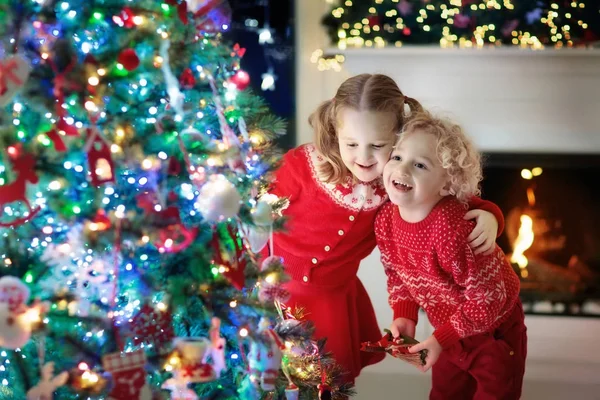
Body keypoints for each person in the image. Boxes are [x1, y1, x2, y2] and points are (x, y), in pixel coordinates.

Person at [266, 74, 504, 381]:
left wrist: (489, 213)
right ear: (335, 133)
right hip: (275, 291)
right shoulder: (302, 165)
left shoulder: (397, 180)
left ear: (399, 137)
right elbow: (251, 206)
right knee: (269, 377)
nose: (363, 157)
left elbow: (450, 192)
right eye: (351, 143)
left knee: (328, 382)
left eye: (378, 145)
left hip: (332, 300)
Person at [375, 111, 526, 399]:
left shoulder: (454, 230)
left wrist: (441, 338)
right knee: (445, 394)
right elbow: (398, 274)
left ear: (447, 184)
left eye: (419, 164)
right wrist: (404, 315)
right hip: (447, 329)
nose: (402, 170)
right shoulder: (385, 221)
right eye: (397, 157)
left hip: (493, 331)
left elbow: (489, 299)